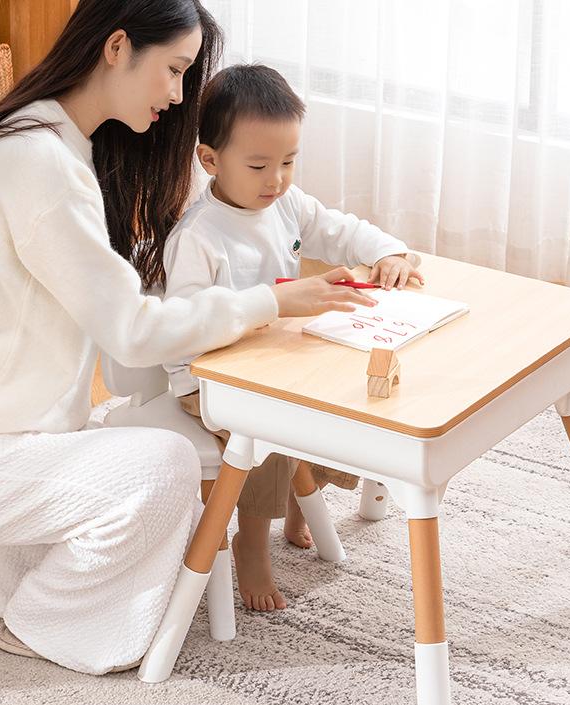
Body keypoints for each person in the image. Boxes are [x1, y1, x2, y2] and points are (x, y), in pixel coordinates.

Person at [0, 0, 377, 675]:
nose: (178, 96)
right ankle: (41, 624)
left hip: (2, 434)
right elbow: (134, 333)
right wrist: (271, 301)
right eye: (173, 70)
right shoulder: (42, 166)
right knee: (165, 462)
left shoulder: (47, 140)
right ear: (117, 48)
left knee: (130, 445)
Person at [162, 64, 424, 612]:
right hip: (207, 377)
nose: (276, 179)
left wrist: (387, 252)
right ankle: (251, 542)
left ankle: (306, 500)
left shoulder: (282, 202)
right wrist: (204, 371)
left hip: (276, 359)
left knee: (341, 402)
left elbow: (339, 228)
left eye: (288, 161)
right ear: (211, 160)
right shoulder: (198, 236)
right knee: (272, 426)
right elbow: (183, 327)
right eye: (258, 165)